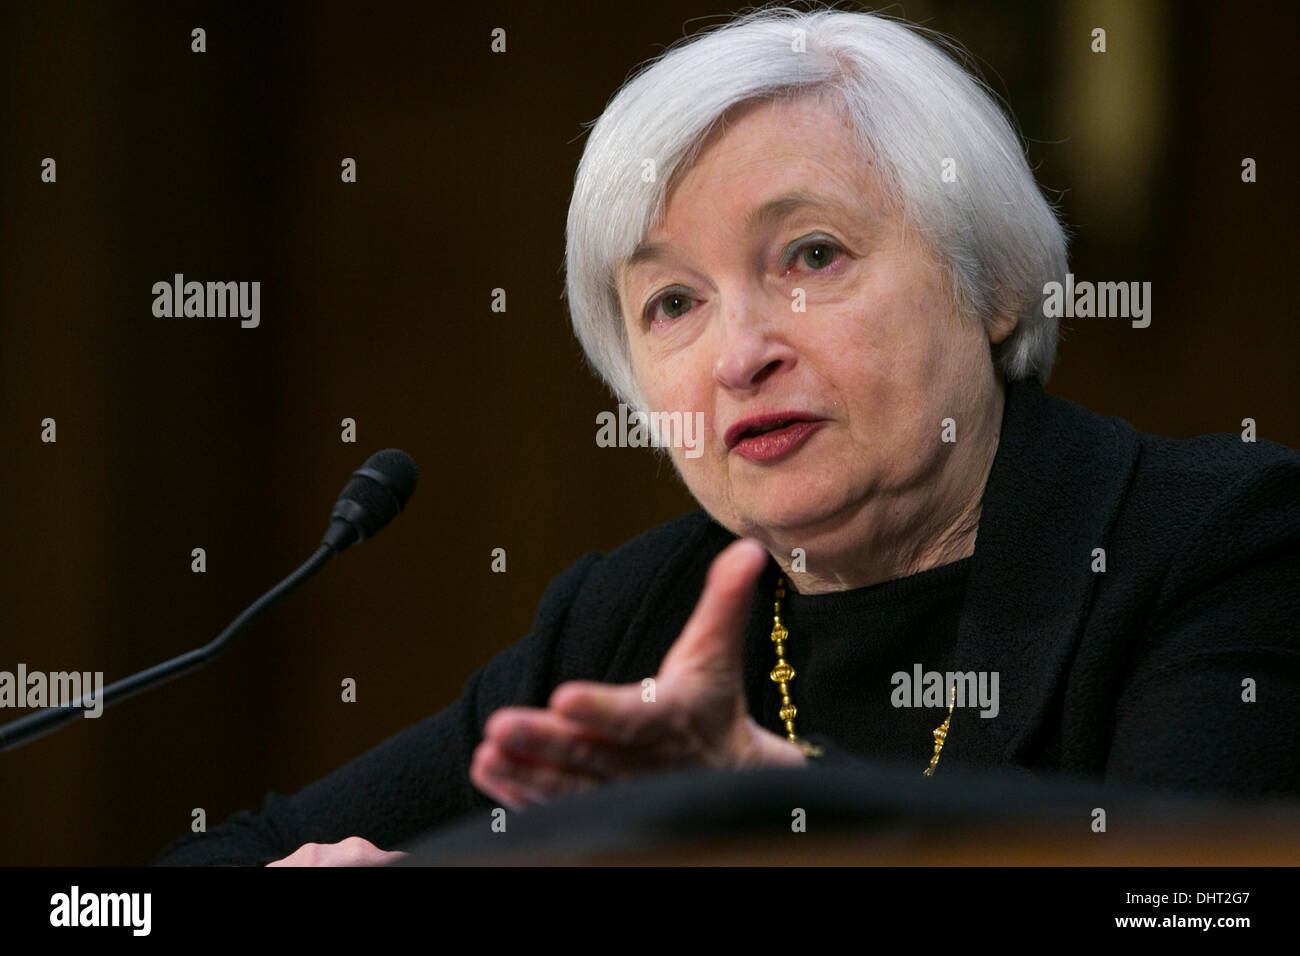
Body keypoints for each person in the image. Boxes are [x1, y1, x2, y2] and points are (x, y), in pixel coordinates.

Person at [155, 6, 1300, 866]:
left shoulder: (1216, 540)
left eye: (810, 255)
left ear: (992, 280)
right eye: (672, 302)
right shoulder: (626, 621)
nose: (738, 351)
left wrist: (779, 796)